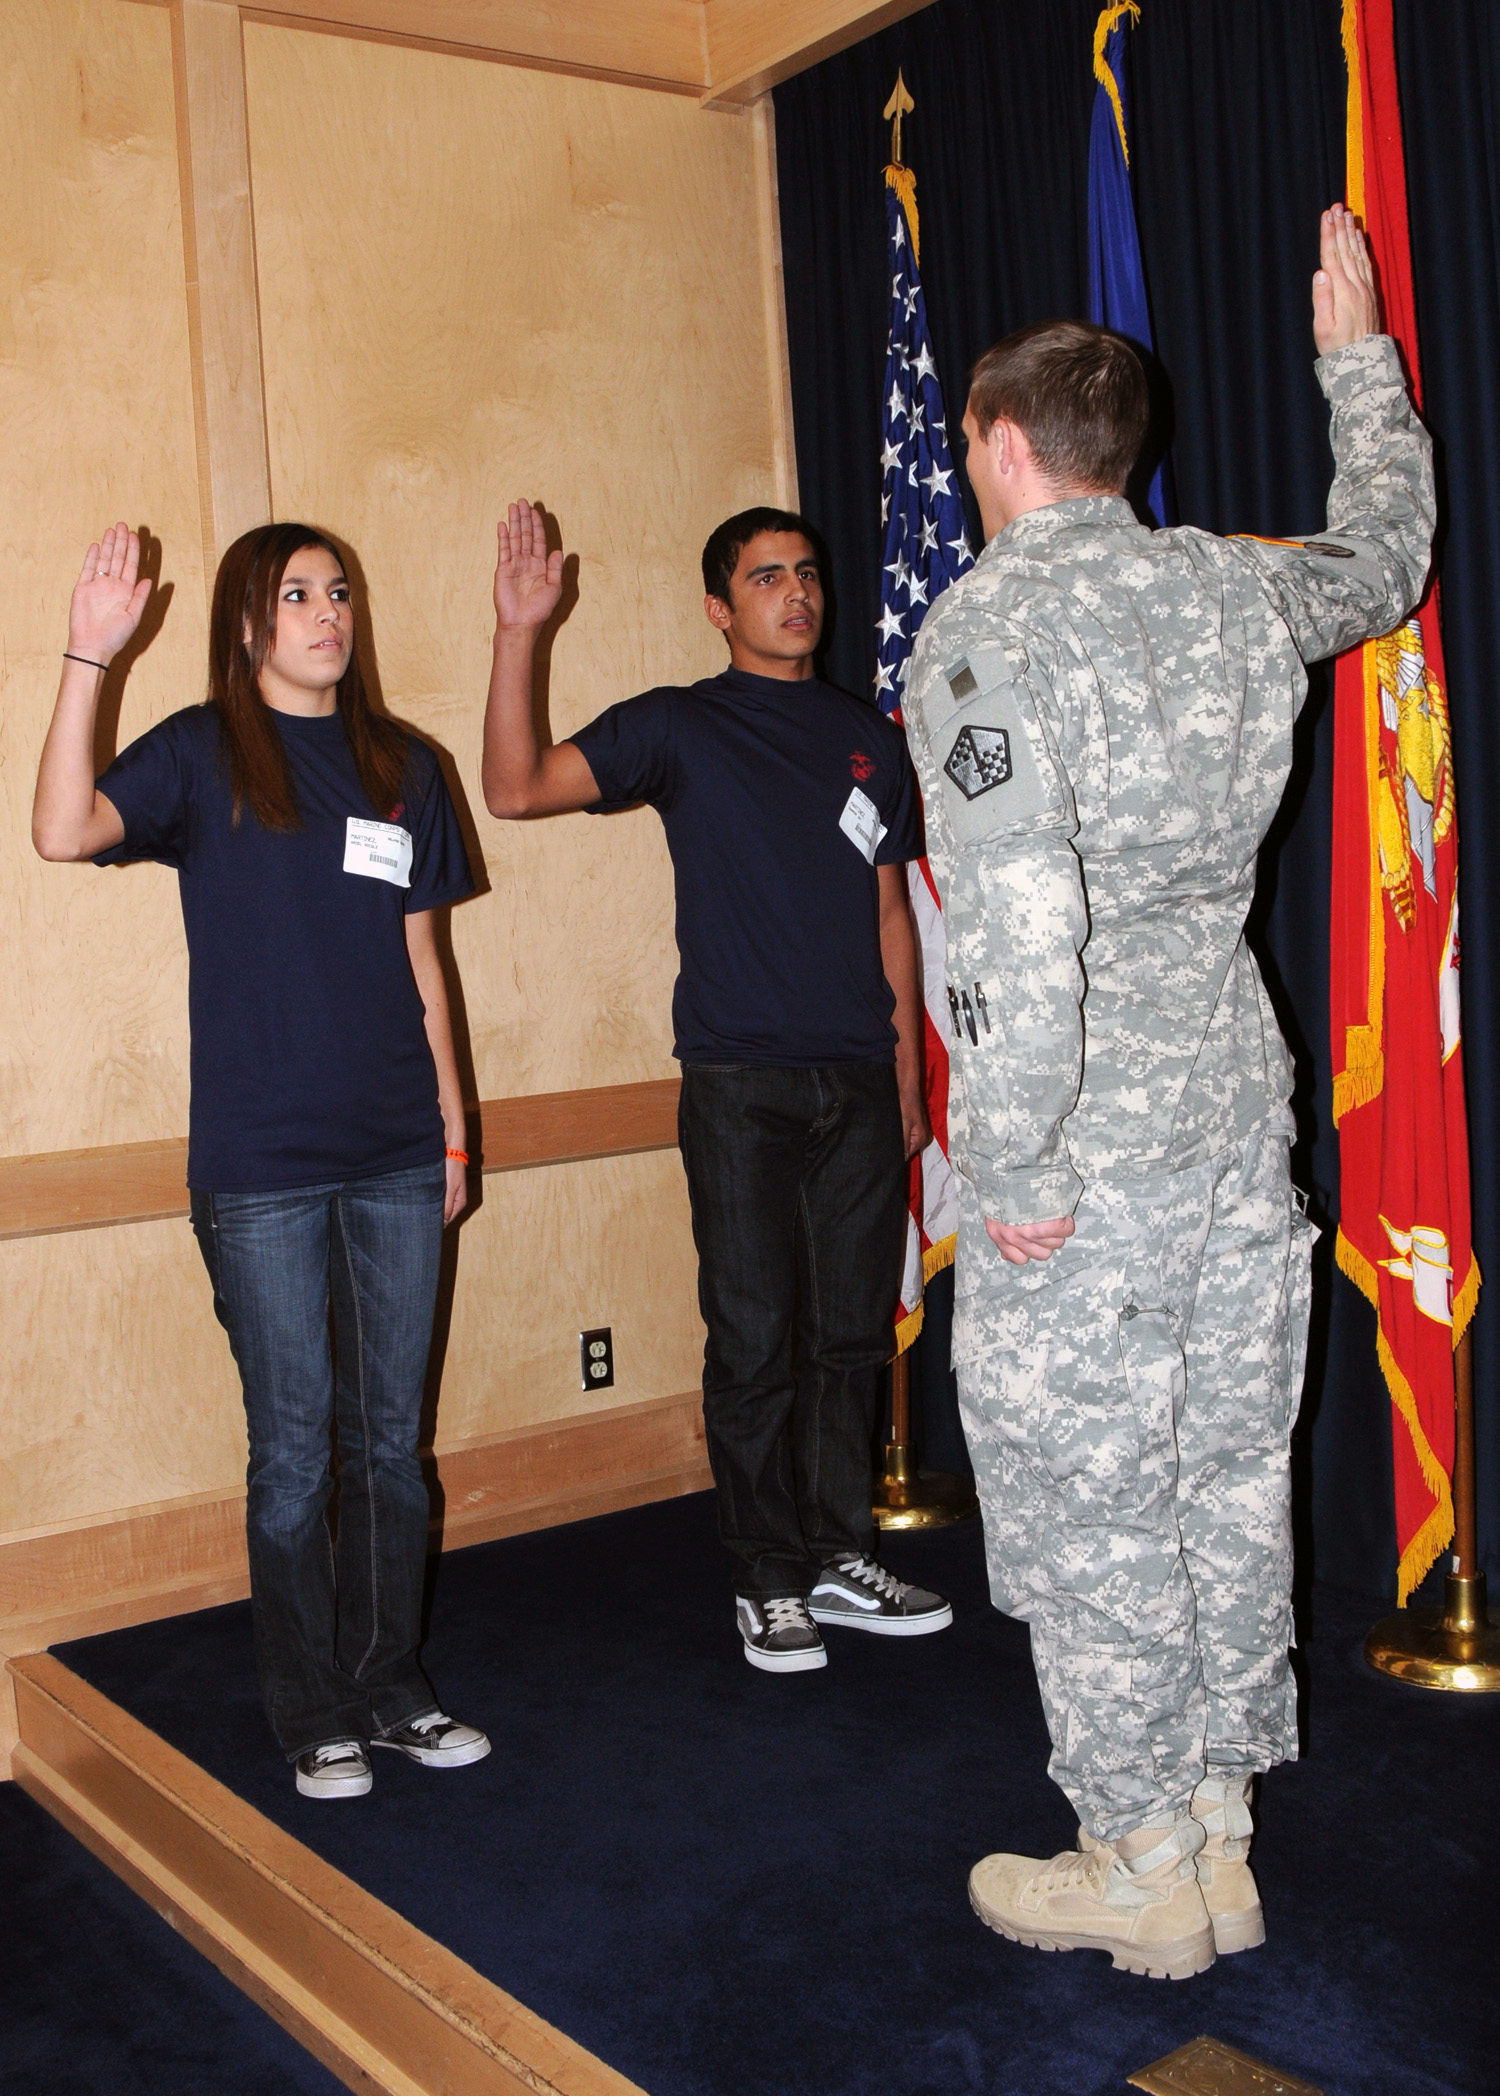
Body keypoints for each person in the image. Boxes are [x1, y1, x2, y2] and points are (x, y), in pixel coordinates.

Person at [902, 208, 1432, 1976]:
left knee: (1093, 1496)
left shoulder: (982, 631)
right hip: (1229, 1111)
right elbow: (1387, 557)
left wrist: (1014, 1154)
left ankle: (1136, 1861)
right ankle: (1218, 1837)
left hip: (1087, 1141)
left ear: (994, 444)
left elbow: (1021, 916)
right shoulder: (1227, 582)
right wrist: (1358, 362)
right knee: (1219, 1475)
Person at [33, 521, 492, 1800]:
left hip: (399, 1150)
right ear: (249, 623)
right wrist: (91, 653)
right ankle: (312, 1711)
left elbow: (423, 965)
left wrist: (454, 1125)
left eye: (339, 590)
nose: (325, 613)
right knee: (295, 1451)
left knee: (392, 1446)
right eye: (296, 595)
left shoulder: (408, 765)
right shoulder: (201, 753)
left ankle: (392, 1687)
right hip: (262, 1167)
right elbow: (62, 832)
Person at [480, 502, 953, 1671]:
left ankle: (840, 1554)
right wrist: (519, 633)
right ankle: (767, 1574)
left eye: (806, 572)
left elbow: (893, 913)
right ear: (719, 607)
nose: (794, 593)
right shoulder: (679, 727)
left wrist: (903, 1072)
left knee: (850, 1338)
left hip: (856, 1079)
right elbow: (517, 786)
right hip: (739, 1085)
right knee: (752, 1337)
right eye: (764, 578)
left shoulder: (870, 742)